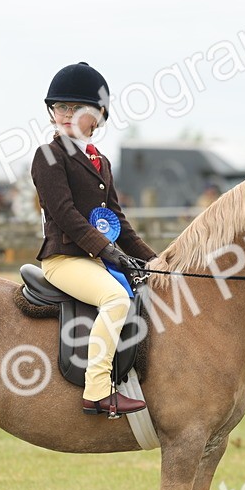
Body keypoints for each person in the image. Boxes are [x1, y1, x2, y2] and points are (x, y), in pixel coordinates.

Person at [31, 62, 158, 417]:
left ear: (98, 115)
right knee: (117, 299)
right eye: (60, 108)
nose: (67, 115)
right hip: (64, 259)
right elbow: (66, 214)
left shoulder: (100, 160)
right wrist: (106, 250)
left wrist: (156, 262)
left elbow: (117, 220)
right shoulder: (48, 156)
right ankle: (98, 390)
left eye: (77, 108)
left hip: (94, 259)